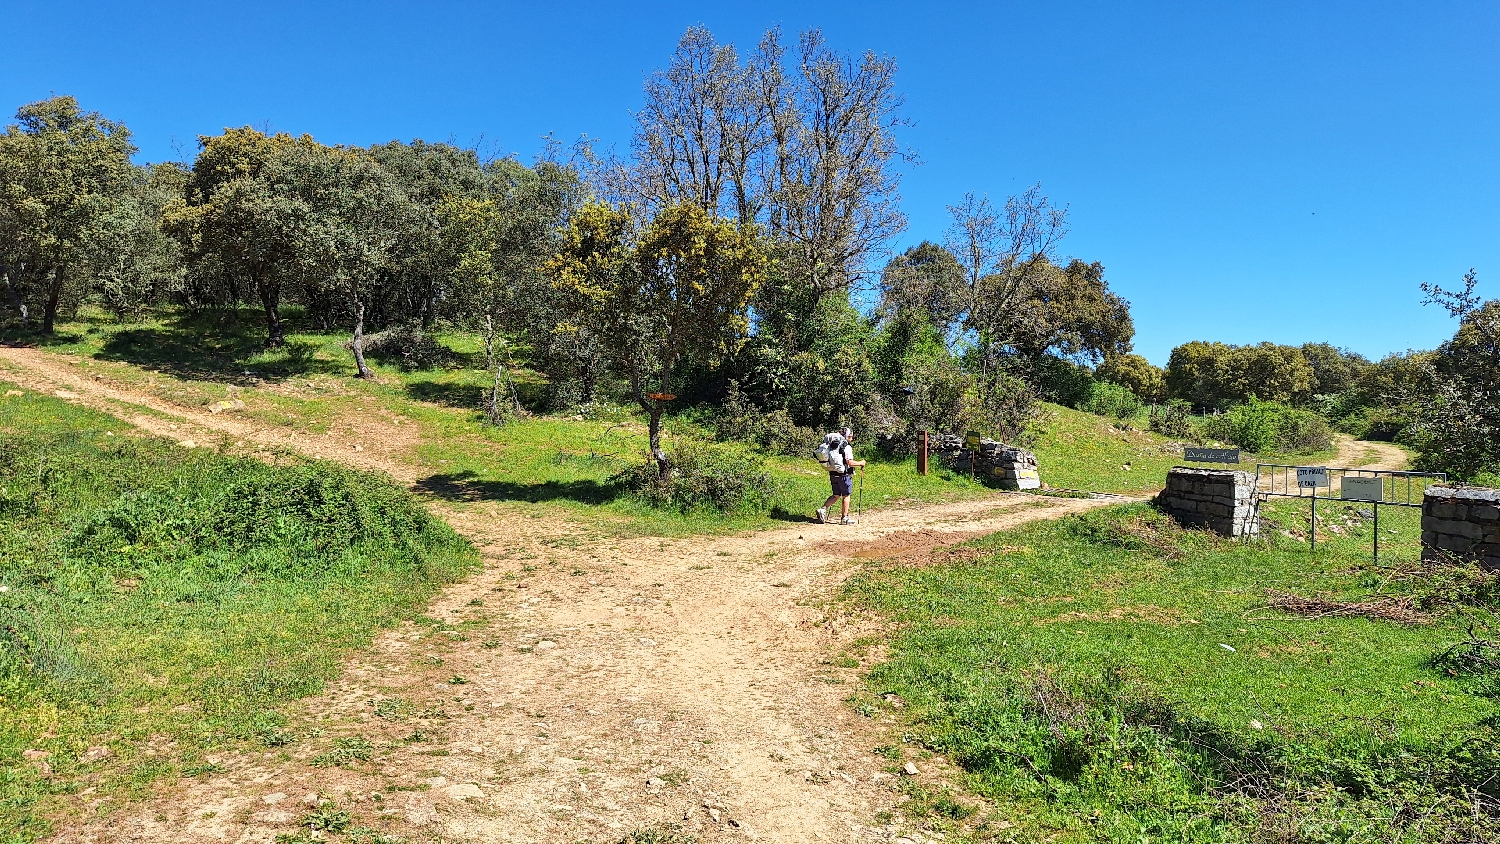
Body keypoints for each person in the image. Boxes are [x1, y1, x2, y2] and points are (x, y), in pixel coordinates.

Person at [817, 427, 866, 525]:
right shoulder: (845, 446)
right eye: (851, 436)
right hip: (844, 474)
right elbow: (849, 462)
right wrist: (861, 462)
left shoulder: (832, 445)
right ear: (847, 436)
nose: (851, 439)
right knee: (846, 495)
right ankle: (845, 518)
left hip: (833, 473)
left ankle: (822, 509)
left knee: (836, 495)